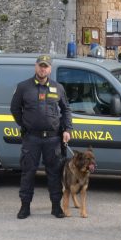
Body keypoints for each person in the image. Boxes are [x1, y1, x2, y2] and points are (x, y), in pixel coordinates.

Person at [10, 54, 72, 219]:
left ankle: (55, 207)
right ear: (35, 66)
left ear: (50, 69)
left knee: (54, 173)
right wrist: (24, 125)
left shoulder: (58, 88)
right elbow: (15, 109)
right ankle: (25, 207)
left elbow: (66, 109)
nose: (43, 69)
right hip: (32, 139)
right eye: (40, 65)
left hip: (53, 139)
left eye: (46, 66)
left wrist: (67, 129)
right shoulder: (23, 87)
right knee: (28, 172)